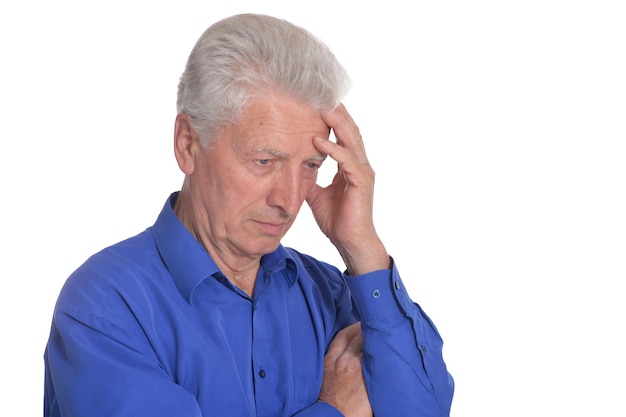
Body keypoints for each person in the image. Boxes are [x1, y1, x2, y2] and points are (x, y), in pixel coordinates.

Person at [43, 13, 454, 417]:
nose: (291, 200)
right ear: (188, 144)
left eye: (310, 165)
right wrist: (335, 411)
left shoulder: (330, 293)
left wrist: (362, 247)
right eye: (264, 160)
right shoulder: (105, 307)